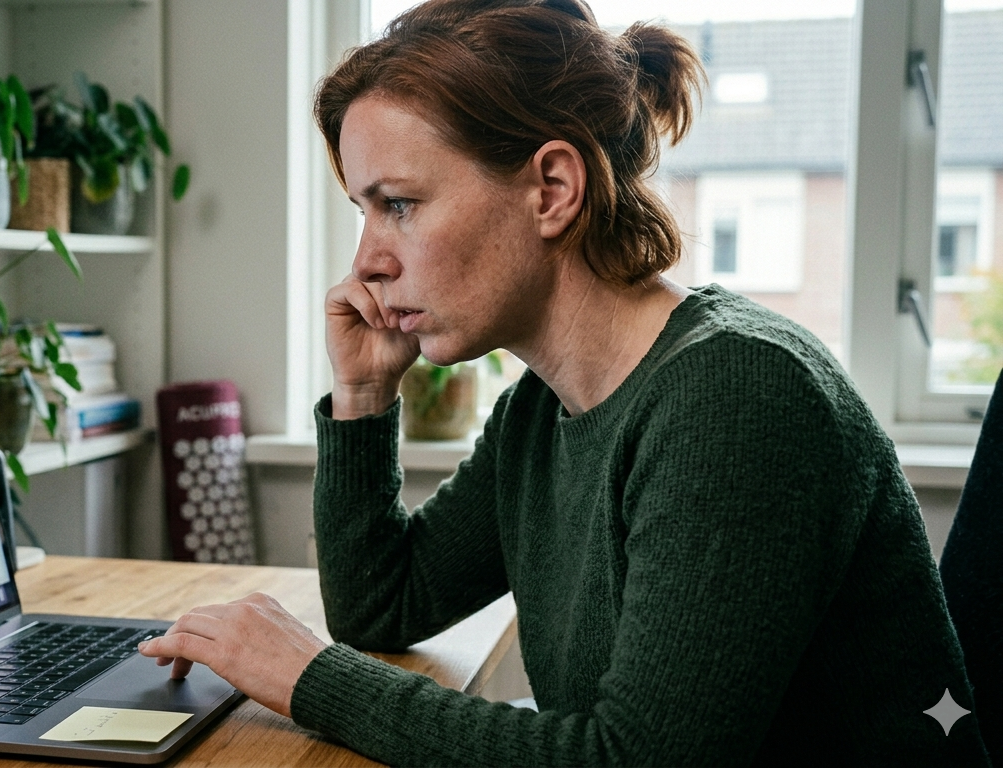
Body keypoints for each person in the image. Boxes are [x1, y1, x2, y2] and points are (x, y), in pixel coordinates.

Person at [139, 0, 990, 764]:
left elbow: (635, 761)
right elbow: (382, 605)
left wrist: (310, 677)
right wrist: (365, 399)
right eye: (363, 212)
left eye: (398, 204)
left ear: (552, 189)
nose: (367, 260)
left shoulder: (737, 396)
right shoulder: (544, 410)